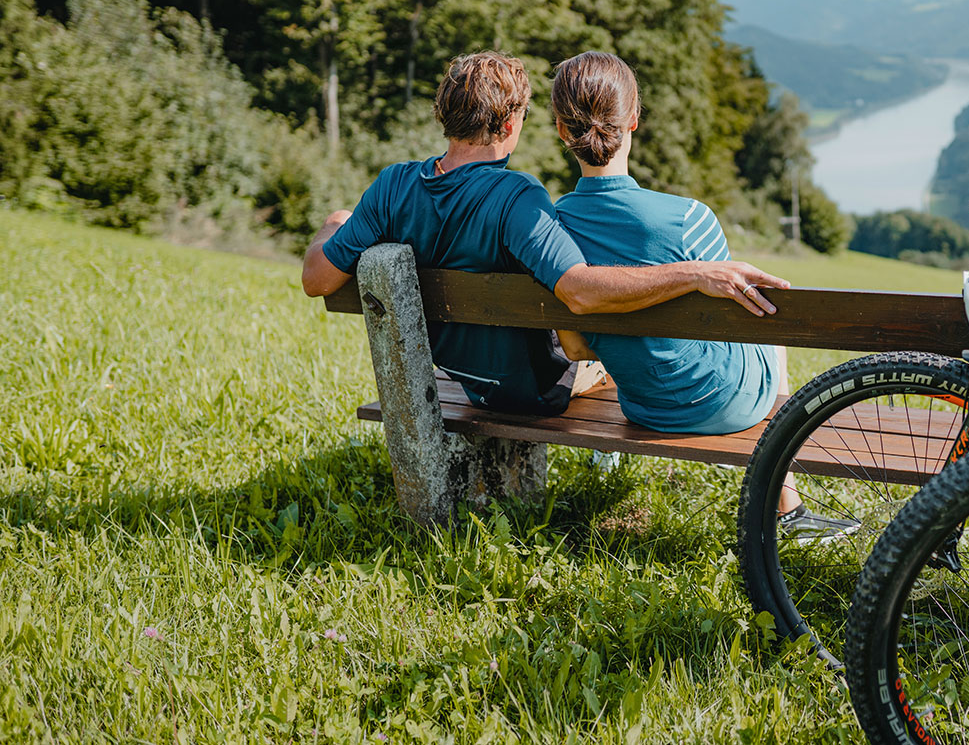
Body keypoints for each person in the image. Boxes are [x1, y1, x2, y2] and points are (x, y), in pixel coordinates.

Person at [300, 50, 789, 418]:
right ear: (512, 124)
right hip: (535, 388)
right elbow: (577, 289)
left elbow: (317, 280)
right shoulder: (517, 198)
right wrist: (695, 272)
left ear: (443, 115)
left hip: (470, 382)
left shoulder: (393, 186)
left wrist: (334, 225)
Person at [548, 50, 857, 540]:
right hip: (724, 404)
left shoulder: (552, 229)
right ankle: (789, 507)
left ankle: (604, 461)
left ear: (564, 131)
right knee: (765, 321)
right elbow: (741, 318)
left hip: (642, 406)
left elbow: (579, 349)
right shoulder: (689, 217)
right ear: (633, 120)